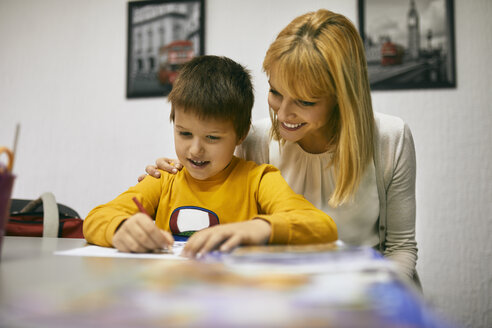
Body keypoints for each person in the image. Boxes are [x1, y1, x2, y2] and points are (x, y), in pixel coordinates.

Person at [142, 10, 419, 286]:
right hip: (286, 293)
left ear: (341, 97)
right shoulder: (255, 140)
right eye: (276, 92)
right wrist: (175, 181)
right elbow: (224, 212)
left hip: (370, 293)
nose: (284, 114)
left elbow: (400, 249)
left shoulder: (391, 139)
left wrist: (382, 300)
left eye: (305, 102)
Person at [84, 55, 338, 258]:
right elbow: (96, 219)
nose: (195, 150)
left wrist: (259, 228)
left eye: (212, 138)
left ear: (241, 135)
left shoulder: (259, 180)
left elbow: (322, 226)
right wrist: (119, 229)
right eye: (184, 133)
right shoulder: (164, 179)